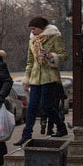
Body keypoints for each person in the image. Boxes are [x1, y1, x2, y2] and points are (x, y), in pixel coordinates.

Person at [17, 16, 68, 145]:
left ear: (41, 28)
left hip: (49, 77)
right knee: (32, 107)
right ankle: (26, 134)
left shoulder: (55, 37)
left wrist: (51, 56)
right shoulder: (32, 41)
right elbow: (30, 62)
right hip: (35, 78)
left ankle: (61, 127)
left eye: (34, 29)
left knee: (46, 105)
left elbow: (64, 55)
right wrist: (26, 79)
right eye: (31, 29)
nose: (32, 31)